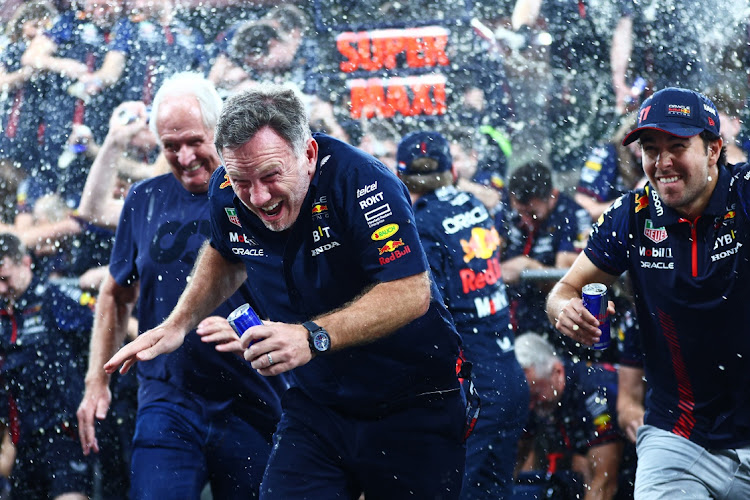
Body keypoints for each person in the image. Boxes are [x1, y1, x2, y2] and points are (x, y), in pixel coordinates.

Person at [105, 83, 467, 498]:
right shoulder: (225, 188)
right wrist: (178, 324)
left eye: (271, 175)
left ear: (308, 153)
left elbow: (409, 291)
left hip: (412, 400)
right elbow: (225, 253)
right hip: (319, 404)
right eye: (243, 179)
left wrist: (310, 335)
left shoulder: (362, 180)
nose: (258, 197)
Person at [76, 72, 285, 499]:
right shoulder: (145, 198)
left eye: (194, 141)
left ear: (219, 130)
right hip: (168, 398)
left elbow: (302, 285)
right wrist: (95, 381)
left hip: (254, 397)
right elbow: (116, 293)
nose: (185, 156)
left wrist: (262, 326)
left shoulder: (258, 192)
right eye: (171, 146)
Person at [546, 87, 750, 499]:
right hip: (677, 436)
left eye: (678, 146)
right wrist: (563, 309)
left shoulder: (745, 193)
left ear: (714, 150)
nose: (663, 163)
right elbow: (563, 289)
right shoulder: (632, 214)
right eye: (651, 148)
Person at [396, 130, 528, 499]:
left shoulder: (420, 225)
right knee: (494, 492)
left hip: (471, 385)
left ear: (401, 177)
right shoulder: (473, 206)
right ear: (452, 170)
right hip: (508, 373)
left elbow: (423, 310)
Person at [0, 232, 95, 499]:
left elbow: (103, 331)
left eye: (5, 279)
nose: (1, 288)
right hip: (23, 437)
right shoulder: (2, 310)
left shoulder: (54, 298)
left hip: (63, 430)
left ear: (26, 263)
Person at [514, 332, 635, 500]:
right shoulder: (536, 395)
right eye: (527, 399)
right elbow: (513, 462)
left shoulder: (594, 393)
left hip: (637, 473)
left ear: (556, 372)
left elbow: (605, 482)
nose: (531, 406)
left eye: (536, 396)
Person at [498, 162, 593, 355]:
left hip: (549, 320)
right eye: (520, 212)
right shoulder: (508, 206)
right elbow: (486, 255)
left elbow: (570, 282)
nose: (525, 220)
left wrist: (529, 267)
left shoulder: (573, 214)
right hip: (507, 311)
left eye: (533, 214)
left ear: (553, 196)